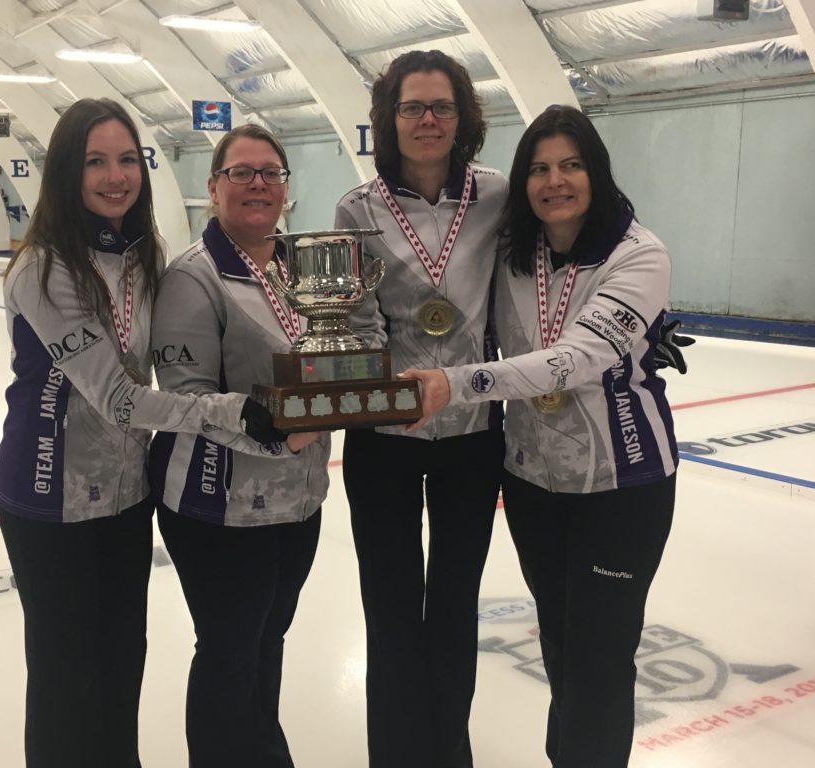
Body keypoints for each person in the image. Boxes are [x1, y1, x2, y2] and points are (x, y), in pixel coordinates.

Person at [0, 99, 281, 768]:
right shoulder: (44, 267)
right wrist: (237, 412)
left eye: (127, 159)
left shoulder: (144, 253)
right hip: (47, 495)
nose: (115, 175)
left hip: (124, 495)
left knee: (123, 661)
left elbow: (168, 367)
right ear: (67, 172)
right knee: (68, 675)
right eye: (95, 161)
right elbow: (121, 397)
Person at [402, 104, 679, 768]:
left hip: (622, 484)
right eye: (541, 169)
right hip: (532, 484)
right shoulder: (514, 256)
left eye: (572, 165)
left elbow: (578, 358)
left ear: (598, 173)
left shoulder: (639, 254)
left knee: (599, 658)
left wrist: (454, 383)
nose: (556, 181)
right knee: (559, 643)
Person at [333, 50, 508, 768]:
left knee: (456, 602)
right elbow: (349, 319)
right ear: (388, 119)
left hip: (473, 433)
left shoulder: (498, 196)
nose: (427, 120)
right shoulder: (357, 208)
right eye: (412, 107)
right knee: (393, 605)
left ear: (463, 117)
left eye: (441, 107)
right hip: (385, 437)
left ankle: (449, 750)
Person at [148, 124, 326, 768]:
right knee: (229, 648)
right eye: (241, 173)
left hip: (298, 500)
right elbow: (186, 400)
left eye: (270, 173)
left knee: (267, 640)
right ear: (213, 188)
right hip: (216, 504)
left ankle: (263, 753)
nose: (258, 184)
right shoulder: (194, 279)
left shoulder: (301, 267)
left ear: (285, 187)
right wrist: (280, 428)